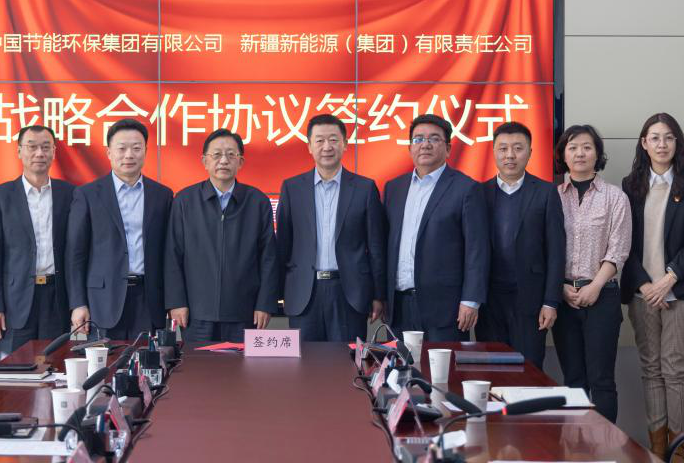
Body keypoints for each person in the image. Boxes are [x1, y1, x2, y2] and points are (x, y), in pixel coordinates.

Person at [621, 113, 684, 461]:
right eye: (655, 138)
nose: (662, 144)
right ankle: (658, 449)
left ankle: (679, 449)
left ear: (677, 143)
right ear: (644, 143)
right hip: (643, 292)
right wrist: (645, 285)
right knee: (652, 369)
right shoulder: (631, 185)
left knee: (675, 369)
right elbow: (624, 241)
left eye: (669, 137)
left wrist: (669, 278)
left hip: (680, 290)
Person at [276, 114, 387, 342]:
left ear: (345, 144)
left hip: (349, 293)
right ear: (309, 146)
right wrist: (274, 295)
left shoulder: (364, 188)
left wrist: (379, 295)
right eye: (319, 140)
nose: (327, 147)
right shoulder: (292, 188)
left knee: (346, 361)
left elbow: (376, 247)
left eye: (334, 140)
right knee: (304, 361)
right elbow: (283, 246)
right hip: (304, 292)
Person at [165, 128, 279, 343]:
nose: (224, 161)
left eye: (231, 155)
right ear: (205, 161)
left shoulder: (257, 202)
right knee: (198, 364)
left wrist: (265, 304)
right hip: (197, 313)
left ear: (240, 162)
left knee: (242, 365)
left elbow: (269, 258)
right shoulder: (185, 201)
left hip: (244, 312)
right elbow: (173, 255)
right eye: (216, 154)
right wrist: (177, 302)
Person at [384, 114, 489, 341]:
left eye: (434, 138)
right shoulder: (394, 188)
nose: (425, 144)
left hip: (445, 308)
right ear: (410, 148)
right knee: (400, 364)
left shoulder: (466, 188)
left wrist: (471, 301)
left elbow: (477, 249)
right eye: (418, 139)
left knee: (443, 365)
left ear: (448, 148)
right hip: (398, 305)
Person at [551, 124, 631, 424]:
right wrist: (560, 287)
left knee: (601, 380)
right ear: (563, 155)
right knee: (573, 379)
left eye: (587, 147)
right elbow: (545, 249)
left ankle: (606, 446)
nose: (580, 153)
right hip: (564, 298)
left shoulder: (615, 197)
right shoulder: (553, 197)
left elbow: (618, 249)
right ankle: (577, 445)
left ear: (597, 154)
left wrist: (595, 286)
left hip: (602, 296)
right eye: (572, 148)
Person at [65, 119, 173, 340]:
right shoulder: (88, 194)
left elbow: (169, 252)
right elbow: (75, 254)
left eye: (136, 148)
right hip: (102, 301)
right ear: (109, 152)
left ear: (146, 151)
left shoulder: (162, 195)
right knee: (104, 361)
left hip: (149, 299)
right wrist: (78, 303)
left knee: (146, 360)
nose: (129, 155)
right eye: (121, 148)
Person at [475, 122, 566, 370]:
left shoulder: (546, 192)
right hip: (489, 300)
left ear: (530, 152)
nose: (510, 155)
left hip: (530, 300)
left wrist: (551, 302)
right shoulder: (479, 193)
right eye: (503, 148)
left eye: (518, 148)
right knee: (491, 370)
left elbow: (556, 251)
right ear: (494, 152)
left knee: (528, 369)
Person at [0, 125, 74, 360]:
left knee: (56, 367)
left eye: (45, 147)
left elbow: (77, 252)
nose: (39, 153)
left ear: (54, 152)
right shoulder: (0, 196)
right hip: (15, 301)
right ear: (19, 151)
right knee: (15, 370)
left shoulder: (70, 194)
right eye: (32, 147)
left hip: (57, 298)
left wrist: (78, 303)